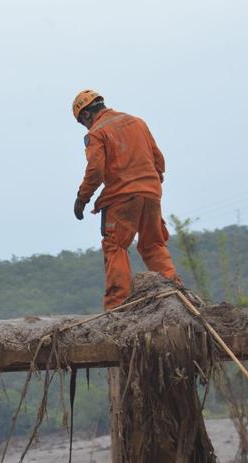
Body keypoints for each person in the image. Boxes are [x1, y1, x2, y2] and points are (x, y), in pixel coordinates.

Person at [71, 89, 181, 310]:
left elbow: (95, 171)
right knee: (153, 244)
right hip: (151, 192)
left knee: (115, 246)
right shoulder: (137, 122)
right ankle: (175, 296)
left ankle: (117, 308)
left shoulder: (97, 133)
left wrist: (82, 198)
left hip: (121, 198)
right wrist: (150, 184)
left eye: (83, 122)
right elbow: (158, 160)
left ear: (85, 116)